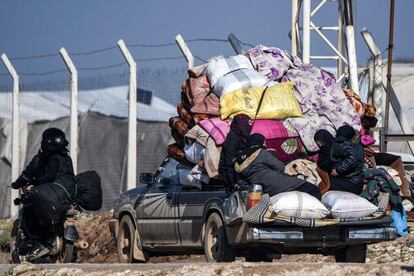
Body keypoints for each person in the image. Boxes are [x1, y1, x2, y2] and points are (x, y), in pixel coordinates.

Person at [10, 128, 75, 260]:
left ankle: (37, 241)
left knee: (30, 209)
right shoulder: (67, 158)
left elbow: (46, 177)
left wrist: (31, 184)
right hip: (68, 196)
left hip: (51, 195)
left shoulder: (47, 158)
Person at [234, 133, 321, 200]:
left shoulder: (239, 161)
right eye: (264, 142)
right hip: (281, 184)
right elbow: (280, 167)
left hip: (265, 192)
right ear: (260, 143)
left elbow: (241, 182)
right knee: (314, 190)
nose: (265, 145)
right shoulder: (261, 153)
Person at [314, 125, 364, 195]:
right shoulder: (331, 149)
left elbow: (353, 158)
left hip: (352, 182)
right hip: (346, 180)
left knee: (323, 184)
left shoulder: (341, 145)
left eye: (322, 144)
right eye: (319, 145)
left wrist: (338, 169)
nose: (321, 146)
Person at [219, 114, 252, 187]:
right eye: (246, 124)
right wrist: (233, 183)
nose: (249, 127)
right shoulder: (233, 137)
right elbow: (229, 162)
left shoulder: (243, 136)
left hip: (238, 174)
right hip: (231, 177)